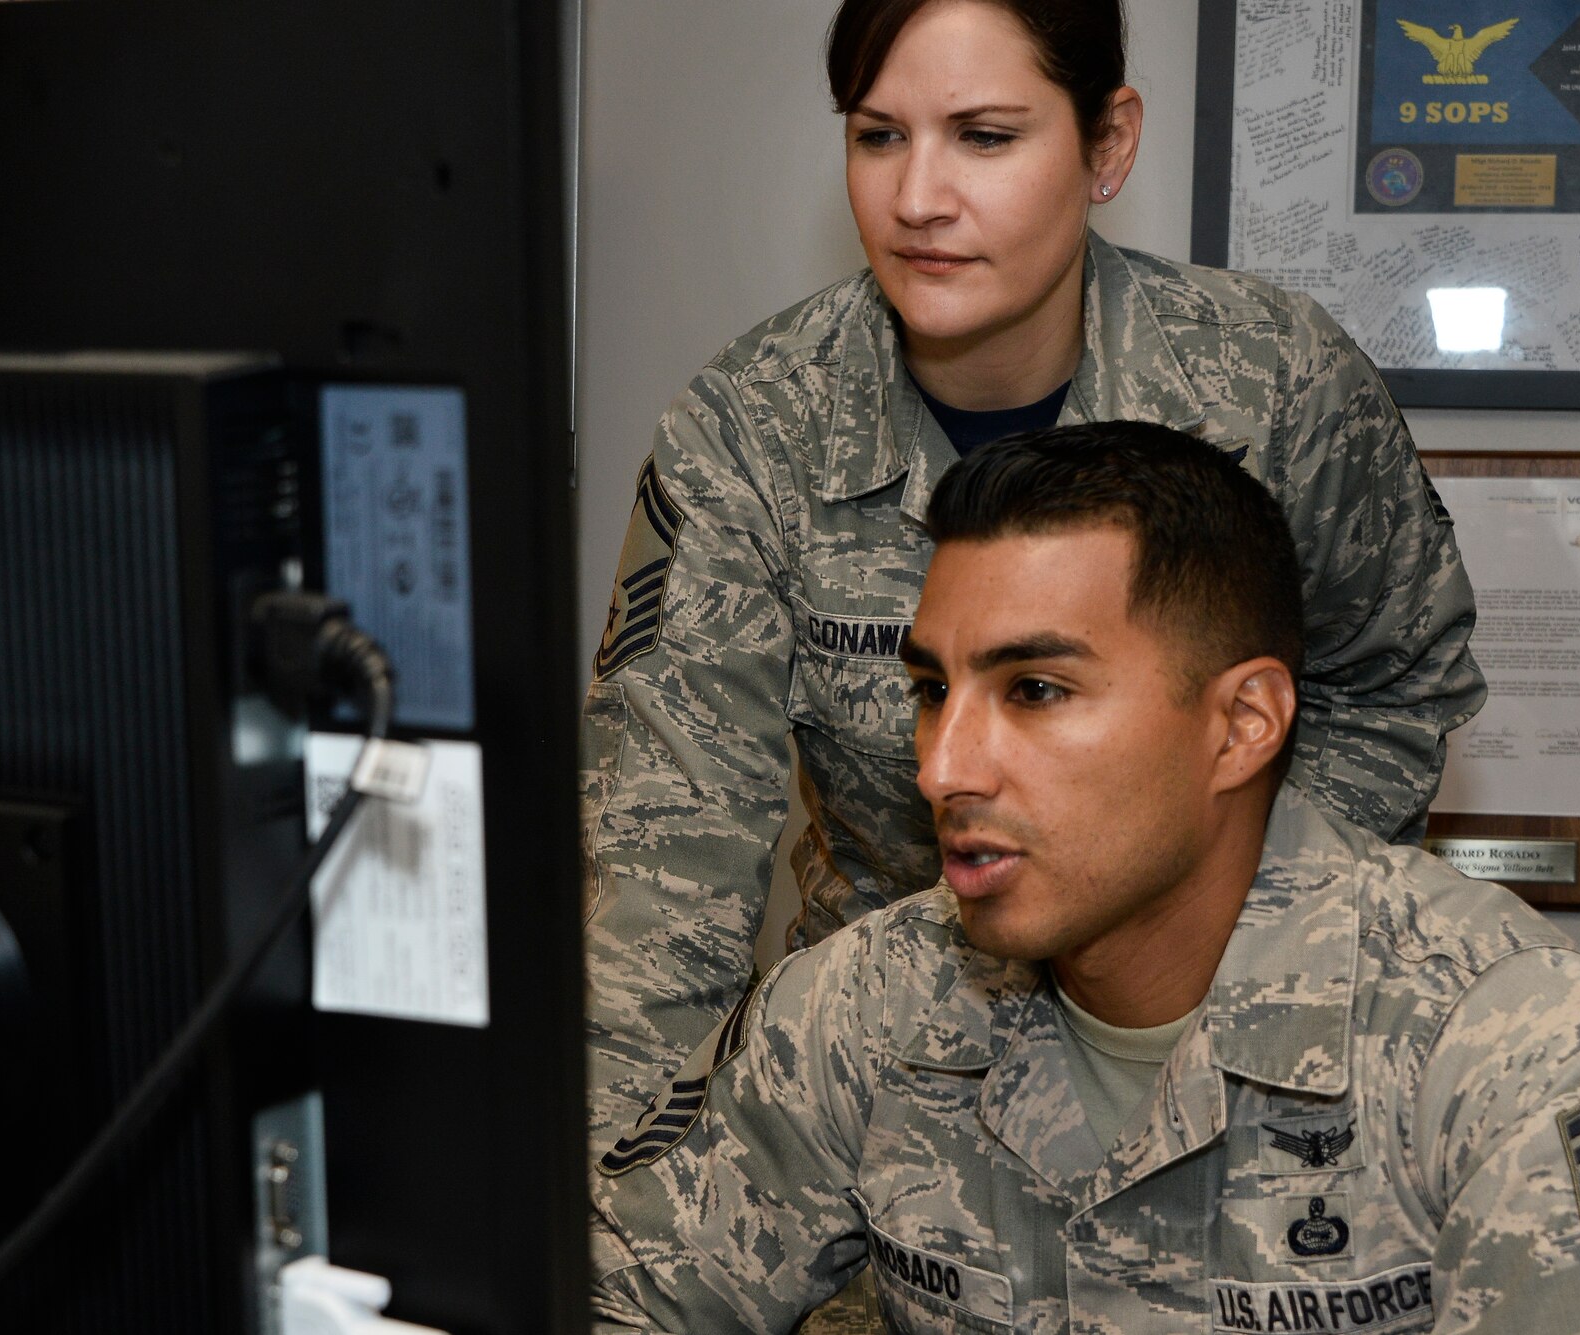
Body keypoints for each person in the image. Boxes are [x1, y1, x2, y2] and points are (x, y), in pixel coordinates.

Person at [589, 424, 1580, 1335]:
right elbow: (618, 1299)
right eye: (932, 688)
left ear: (1240, 724)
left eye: (1034, 690)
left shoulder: (1498, 1041)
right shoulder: (866, 1004)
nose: (941, 766)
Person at [582, 0, 1486, 1153]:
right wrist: (618, 1195)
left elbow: (1390, 687)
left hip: (1227, 1065)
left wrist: (1217, 942)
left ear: (1105, 145)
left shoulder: (1272, 388)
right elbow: (661, 855)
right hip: (891, 1080)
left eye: (985, 136)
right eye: (877, 135)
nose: (917, 198)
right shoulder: (754, 431)